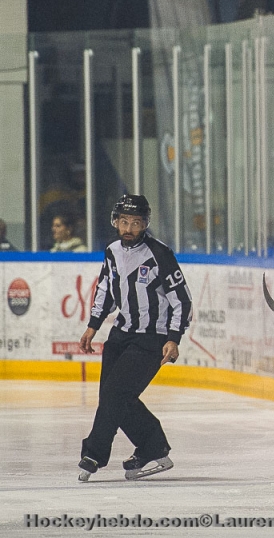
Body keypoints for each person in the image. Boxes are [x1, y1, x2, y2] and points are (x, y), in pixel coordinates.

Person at [77, 195, 193, 482]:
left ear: (145, 225)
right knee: (114, 398)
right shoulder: (112, 250)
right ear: (116, 221)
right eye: (125, 222)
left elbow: (182, 301)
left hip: (151, 339)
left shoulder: (159, 254)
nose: (129, 228)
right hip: (120, 335)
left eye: (136, 223)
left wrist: (173, 338)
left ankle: (93, 454)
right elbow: (105, 289)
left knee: (116, 395)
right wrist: (93, 325)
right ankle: (154, 447)